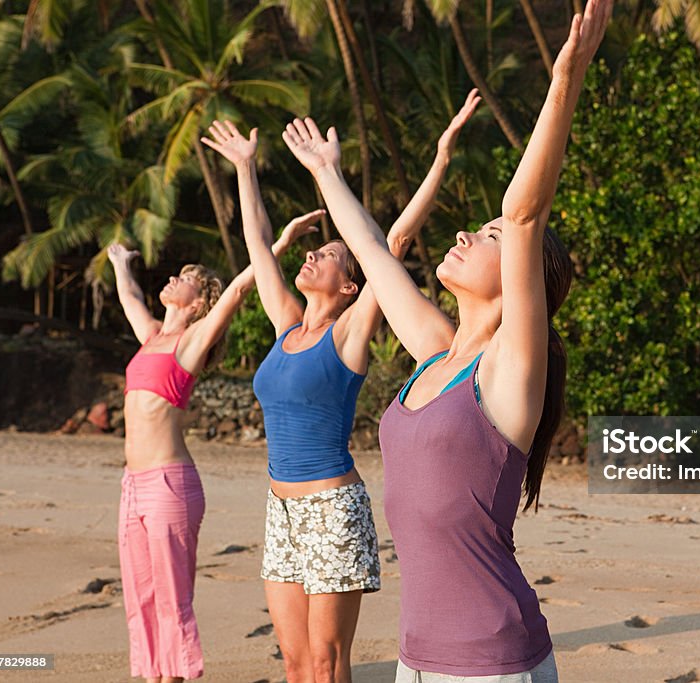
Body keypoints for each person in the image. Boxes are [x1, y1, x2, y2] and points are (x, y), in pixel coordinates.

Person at [279, 2, 611, 680]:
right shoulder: (437, 350)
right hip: (418, 659)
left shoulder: (512, 367)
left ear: (523, 279)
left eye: (484, 236)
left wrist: (566, 79)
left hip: (493, 660)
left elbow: (523, 216)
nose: (465, 234)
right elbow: (373, 253)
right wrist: (327, 173)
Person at [199, 89, 480, 683]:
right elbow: (257, 244)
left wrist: (441, 158)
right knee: (297, 664)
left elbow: (392, 243)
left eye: (327, 255)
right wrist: (246, 170)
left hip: (331, 509)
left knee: (327, 666)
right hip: (280, 509)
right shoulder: (285, 325)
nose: (310, 257)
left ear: (350, 285)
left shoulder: (348, 334)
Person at [108, 218, 315, 683]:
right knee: (140, 594)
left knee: (171, 596)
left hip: (168, 484)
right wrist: (121, 263)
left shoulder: (190, 342)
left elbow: (239, 292)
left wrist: (279, 243)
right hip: (132, 486)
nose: (172, 279)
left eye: (184, 278)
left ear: (200, 302)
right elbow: (131, 299)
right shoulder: (151, 338)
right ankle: (155, 675)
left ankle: (179, 677)